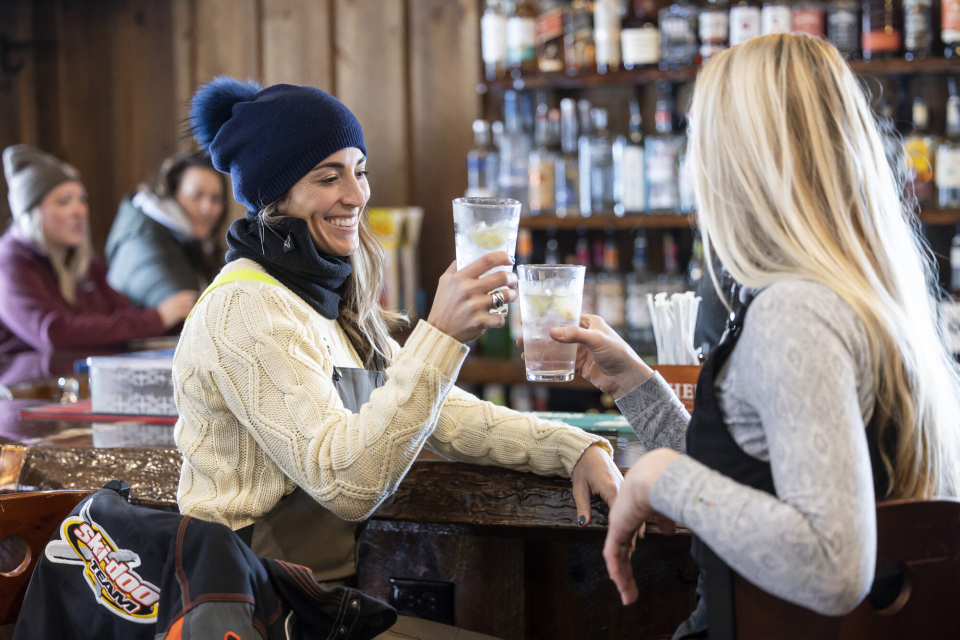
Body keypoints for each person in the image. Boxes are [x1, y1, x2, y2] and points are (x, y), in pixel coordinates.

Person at [537, 35, 960, 637]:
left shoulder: (796, 314)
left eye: (701, 144)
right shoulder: (862, 297)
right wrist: (637, 385)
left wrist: (663, 477)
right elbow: (749, 486)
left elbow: (835, 565)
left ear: (744, 164)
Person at [173, 78, 623, 638]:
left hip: (318, 601)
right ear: (275, 195)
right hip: (257, 609)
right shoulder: (246, 306)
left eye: (358, 169)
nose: (357, 195)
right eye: (327, 176)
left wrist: (571, 449)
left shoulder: (317, 295)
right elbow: (348, 483)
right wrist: (442, 334)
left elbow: (444, 414)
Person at [0, 145, 196, 356]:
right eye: (64, 201)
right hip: (26, 387)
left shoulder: (88, 264)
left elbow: (123, 314)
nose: (80, 211)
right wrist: (158, 318)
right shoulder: (11, 263)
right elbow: (53, 333)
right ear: (32, 213)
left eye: (82, 200)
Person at [105, 151, 228, 308]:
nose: (208, 208)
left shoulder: (192, 241)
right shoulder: (144, 241)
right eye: (197, 196)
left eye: (216, 199)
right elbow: (187, 315)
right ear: (171, 195)